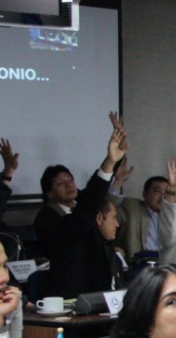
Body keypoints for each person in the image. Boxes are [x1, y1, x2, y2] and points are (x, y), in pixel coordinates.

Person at [41, 124, 128, 297]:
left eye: (70, 180)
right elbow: (90, 203)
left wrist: (115, 160)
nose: (69, 185)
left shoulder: (83, 208)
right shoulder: (55, 220)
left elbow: (93, 196)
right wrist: (109, 162)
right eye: (61, 183)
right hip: (73, 296)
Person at [115, 175, 168, 259]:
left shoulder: (172, 216)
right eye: (157, 191)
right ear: (145, 194)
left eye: (167, 192)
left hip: (166, 263)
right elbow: (107, 213)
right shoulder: (131, 207)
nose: (162, 197)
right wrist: (117, 183)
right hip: (139, 263)